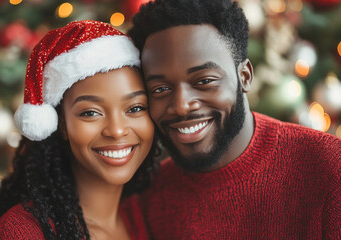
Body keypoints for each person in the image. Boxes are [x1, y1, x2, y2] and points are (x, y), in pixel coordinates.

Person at [127, 0, 341, 239]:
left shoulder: (330, 168)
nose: (181, 105)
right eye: (160, 89)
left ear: (245, 76)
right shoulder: (150, 197)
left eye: (204, 81)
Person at [0, 20, 156, 240]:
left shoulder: (142, 214)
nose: (116, 130)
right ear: (61, 124)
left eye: (135, 108)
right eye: (90, 113)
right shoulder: (22, 233)